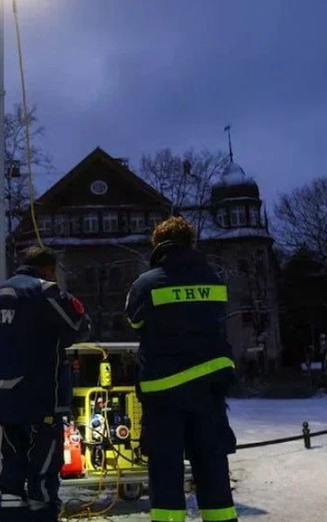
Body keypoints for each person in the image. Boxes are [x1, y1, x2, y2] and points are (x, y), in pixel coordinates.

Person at [125, 216, 238, 522]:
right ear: (191, 243)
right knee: (213, 467)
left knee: (166, 471)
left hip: (164, 393)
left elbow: (135, 321)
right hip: (210, 389)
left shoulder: (146, 284)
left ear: (157, 245)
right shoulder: (213, 278)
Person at [0, 246, 90, 522]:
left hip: (2, 399)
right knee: (43, 471)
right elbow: (79, 326)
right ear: (49, 270)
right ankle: (43, 515)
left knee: (10, 470)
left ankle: (9, 515)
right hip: (39, 398)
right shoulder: (44, 291)